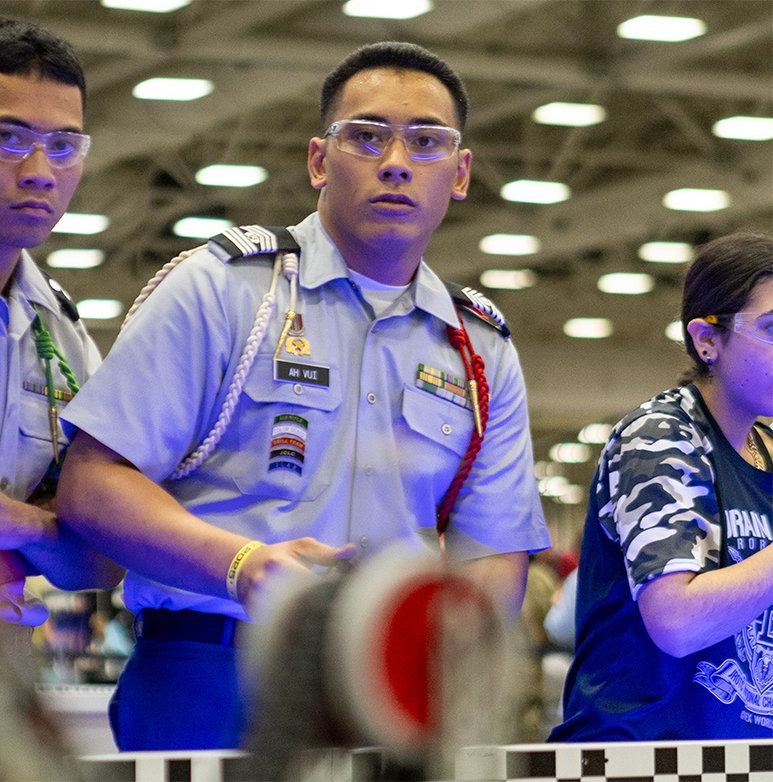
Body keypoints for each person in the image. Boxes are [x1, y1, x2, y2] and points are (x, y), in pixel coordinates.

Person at [56, 41, 550, 750]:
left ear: (460, 172)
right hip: (210, 662)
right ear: (319, 159)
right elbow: (92, 485)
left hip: (384, 683)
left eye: (426, 141)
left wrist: (447, 658)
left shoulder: (479, 350)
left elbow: (493, 550)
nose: (396, 161)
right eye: (367, 136)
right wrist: (241, 565)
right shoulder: (223, 289)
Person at [0, 17, 121, 628]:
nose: (40, 170)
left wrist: (16, 520)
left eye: (64, 146)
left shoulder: (62, 335)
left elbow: (100, 558)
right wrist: (47, 527)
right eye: (8, 139)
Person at [552, 232, 773, 741]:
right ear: (706, 339)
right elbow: (677, 622)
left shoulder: (766, 449)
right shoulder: (660, 436)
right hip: (637, 757)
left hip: (735, 756)